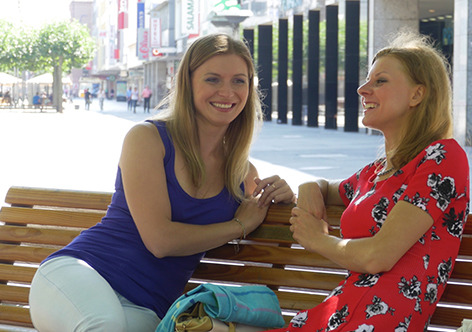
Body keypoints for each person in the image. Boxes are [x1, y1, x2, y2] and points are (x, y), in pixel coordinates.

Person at [28, 33, 296, 332]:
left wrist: (283, 196)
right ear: (188, 83)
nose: (227, 92)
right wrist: (238, 226)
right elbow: (160, 241)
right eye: (212, 79)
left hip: (147, 308)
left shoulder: (242, 173)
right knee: (104, 326)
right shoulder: (148, 139)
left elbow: (271, 230)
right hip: (82, 275)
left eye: (239, 81)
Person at [268, 32, 470, 331]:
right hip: (343, 312)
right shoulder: (374, 173)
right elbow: (328, 187)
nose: (363, 89)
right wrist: (310, 186)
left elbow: (379, 257)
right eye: (367, 80)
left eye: (380, 81)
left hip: (379, 322)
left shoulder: (442, 157)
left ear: (417, 94)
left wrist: (318, 239)